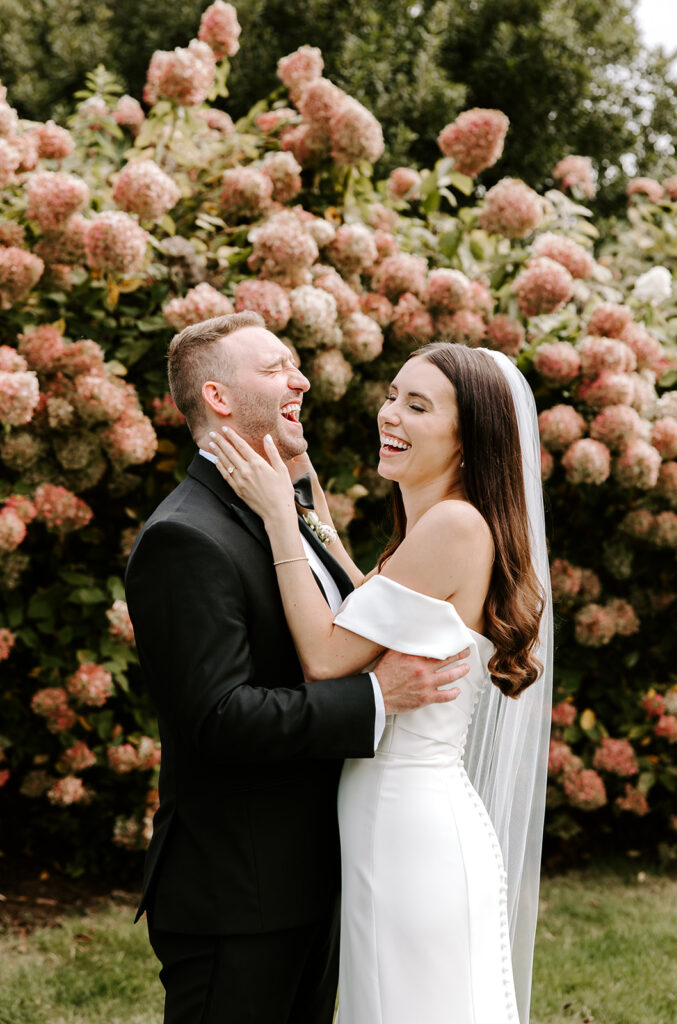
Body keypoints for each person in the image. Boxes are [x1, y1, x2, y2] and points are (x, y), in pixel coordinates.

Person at [124, 313, 472, 1024]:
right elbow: (219, 718)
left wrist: (301, 515)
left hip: (316, 878)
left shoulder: (280, 508)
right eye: (276, 366)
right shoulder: (185, 538)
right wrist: (375, 698)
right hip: (240, 898)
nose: (302, 377)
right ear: (220, 399)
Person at [209, 339, 553, 1024]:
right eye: (392, 395)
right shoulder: (439, 524)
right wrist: (315, 514)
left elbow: (327, 657)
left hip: (412, 824)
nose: (390, 415)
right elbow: (372, 605)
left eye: (418, 406)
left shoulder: (455, 525)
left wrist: (281, 517)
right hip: (390, 816)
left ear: (468, 439)